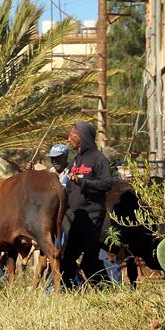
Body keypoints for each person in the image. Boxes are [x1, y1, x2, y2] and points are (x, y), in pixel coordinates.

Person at [60, 122, 113, 288]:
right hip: (75, 215)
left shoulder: (98, 159)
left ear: (81, 137)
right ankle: (66, 291)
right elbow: (65, 184)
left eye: (72, 135)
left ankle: (106, 289)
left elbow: (107, 183)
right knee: (67, 257)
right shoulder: (75, 161)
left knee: (90, 257)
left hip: (93, 214)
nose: (69, 139)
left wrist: (84, 183)